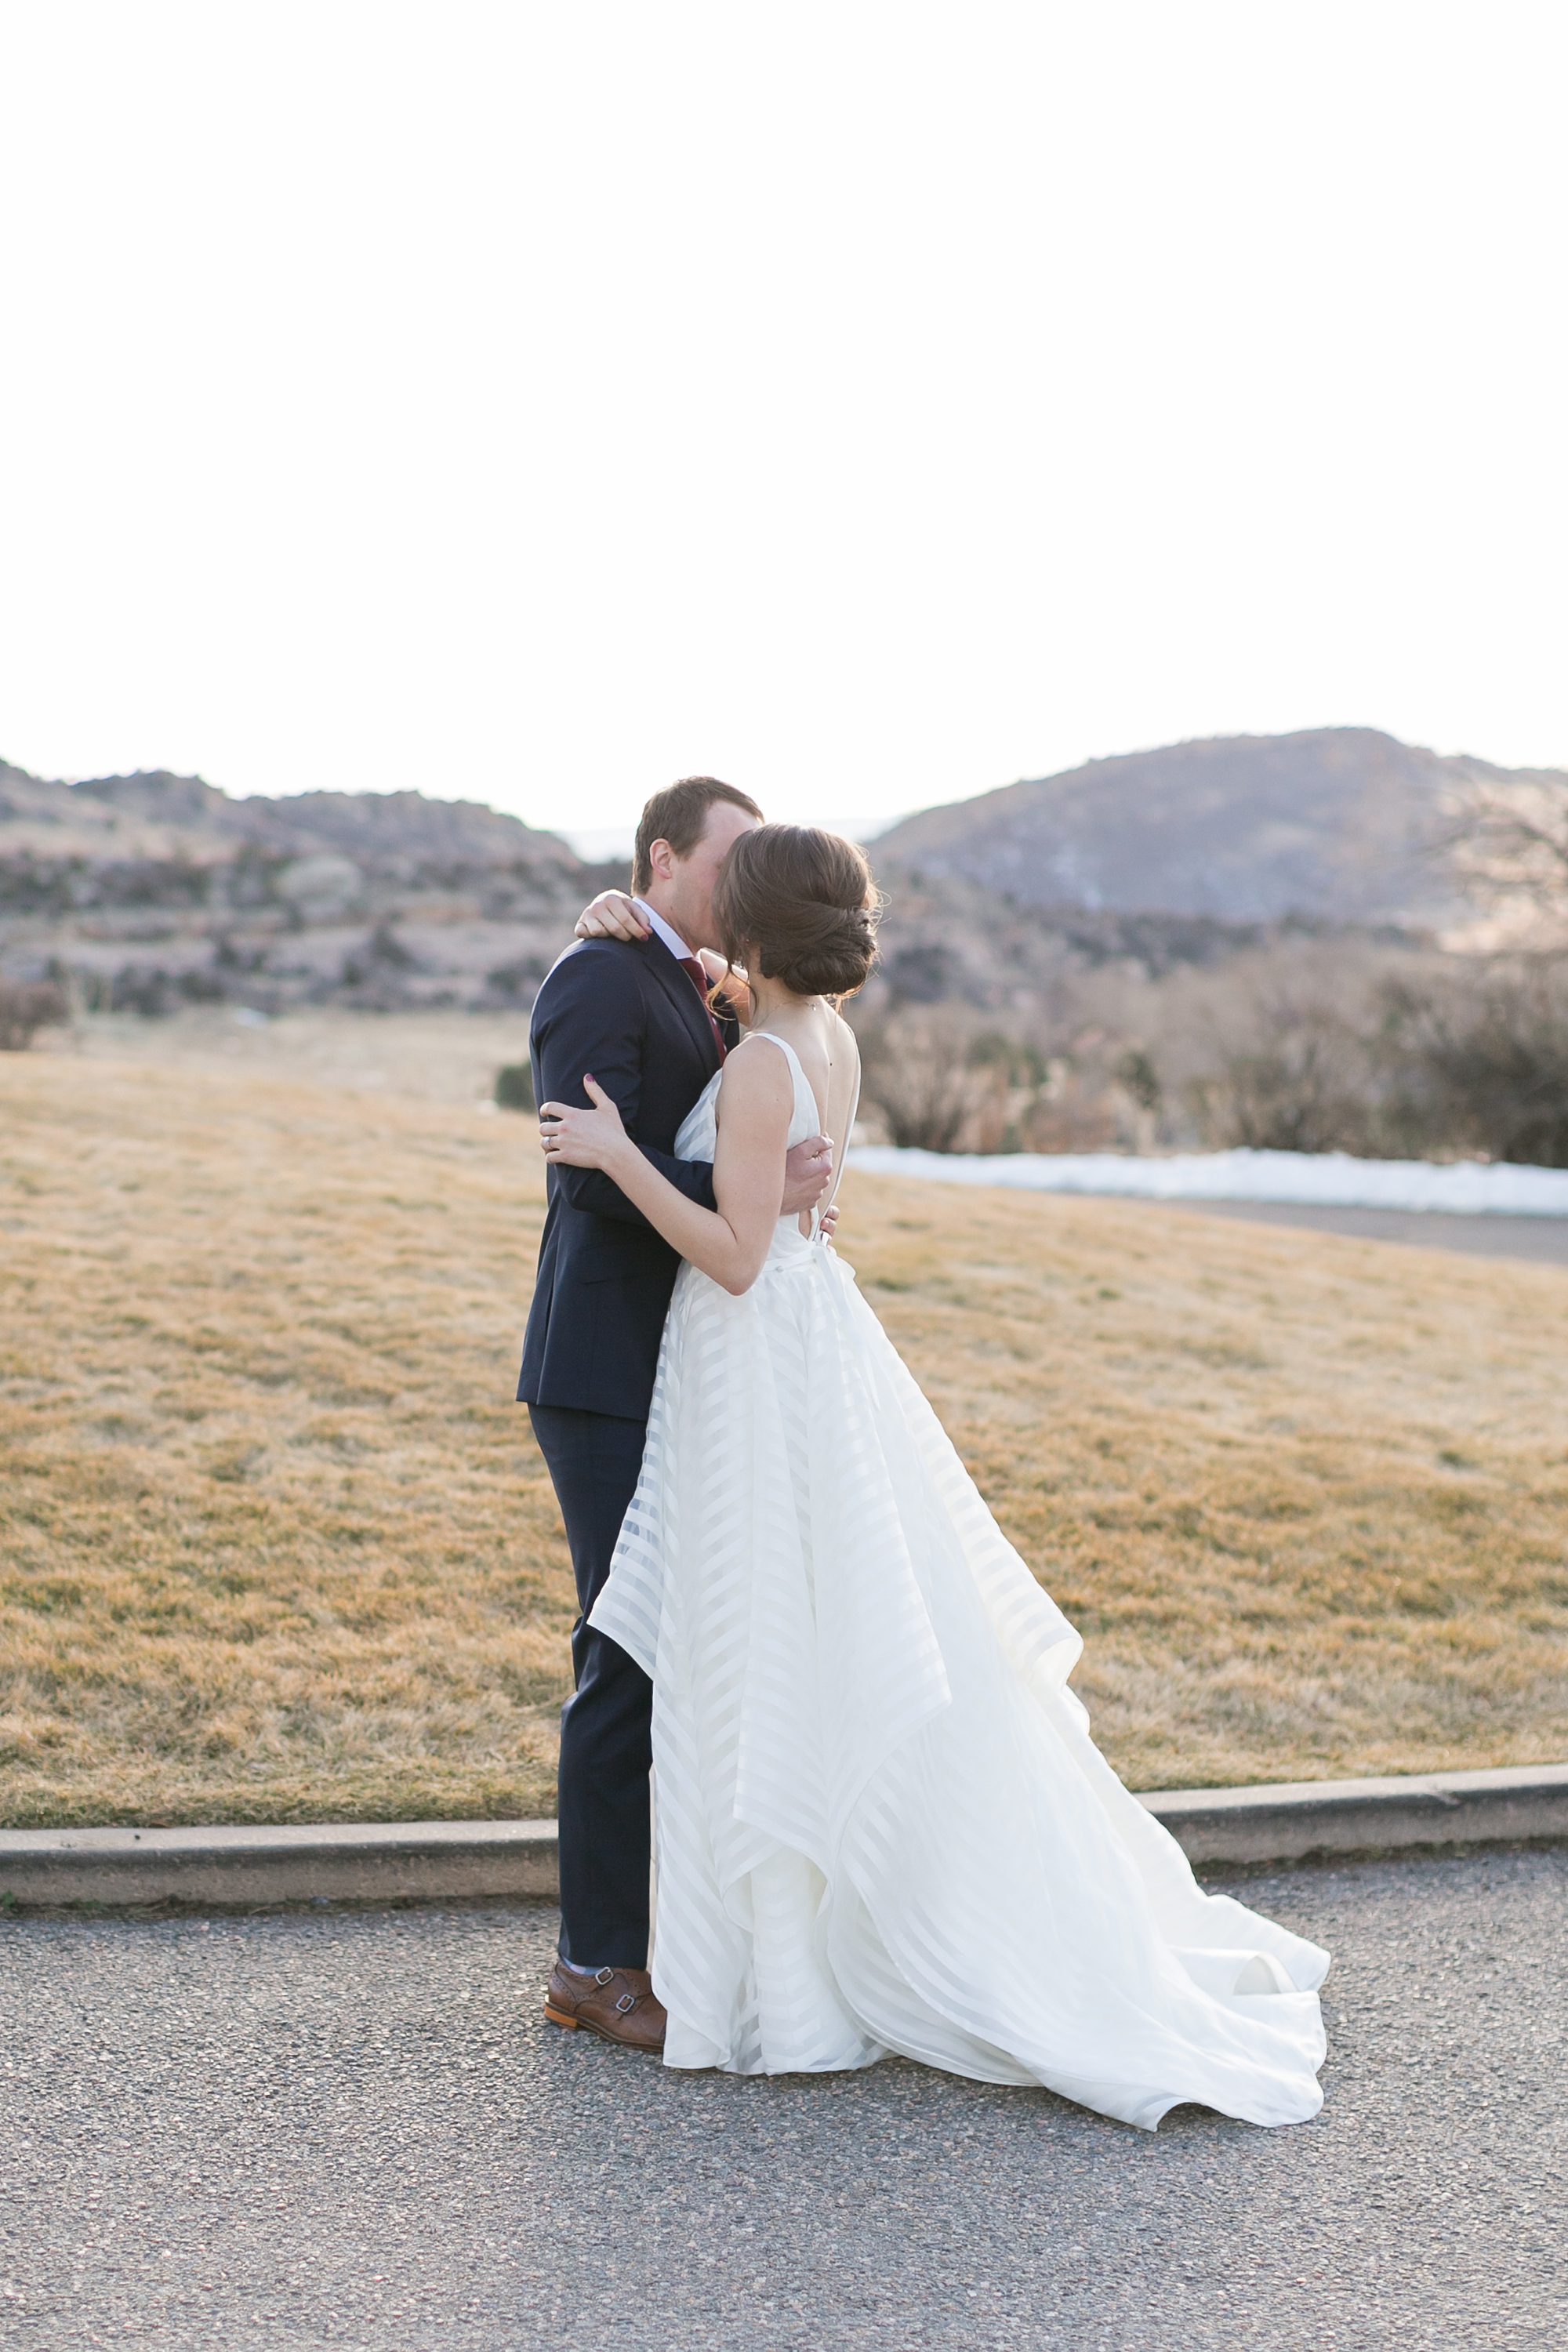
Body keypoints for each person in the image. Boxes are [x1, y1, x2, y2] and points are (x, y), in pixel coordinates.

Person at [537, 821, 1330, 2130]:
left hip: (750, 1350)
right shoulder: (825, 1042)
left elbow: (732, 1256)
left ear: (753, 927)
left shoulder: (755, 1071)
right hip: (812, 1344)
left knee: (760, 1642)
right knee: (819, 1629)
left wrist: (621, 1154)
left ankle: (772, 1943)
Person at [518, 778, 838, 2053]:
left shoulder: (715, 989)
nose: (746, 874)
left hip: (698, 1366)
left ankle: (668, 1935)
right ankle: (592, 1965)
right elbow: (584, 1169)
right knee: (622, 1652)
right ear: (665, 859)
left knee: (688, 1652)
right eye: (731, 854)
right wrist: (750, 1182)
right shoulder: (596, 976)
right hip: (603, 1368)